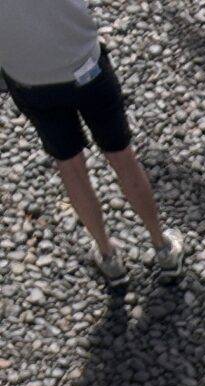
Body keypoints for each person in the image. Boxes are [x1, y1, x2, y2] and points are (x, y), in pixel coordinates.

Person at [0, 0, 185, 287]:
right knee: (122, 157)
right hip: (85, 66)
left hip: (30, 81)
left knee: (70, 165)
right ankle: (162, 248)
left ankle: (108, 257)